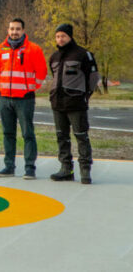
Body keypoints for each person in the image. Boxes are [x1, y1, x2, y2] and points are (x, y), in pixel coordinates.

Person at [0, 18, 47, 179]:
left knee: (27, 133)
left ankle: (30, 167)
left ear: (23, 30)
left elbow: (41, 72)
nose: (14, 32)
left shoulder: (33, 49)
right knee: (7, 133)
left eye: (17, 29)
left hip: (24, 98)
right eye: (11, 29)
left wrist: (30, 87)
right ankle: (9, 166)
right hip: (5, 98)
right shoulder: (1, 48)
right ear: (8, 30)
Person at [48, 23, 99, 184]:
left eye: (63, 36)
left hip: (76, 104)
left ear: (70, 36)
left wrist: (85, 96)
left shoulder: (83, 54)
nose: (60, 39)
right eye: (57, 36)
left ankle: (85, 169)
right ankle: (66, 169)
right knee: (61, 137)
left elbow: (93, 78)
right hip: (58, 103)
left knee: (81, 136)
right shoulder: (54, 57)